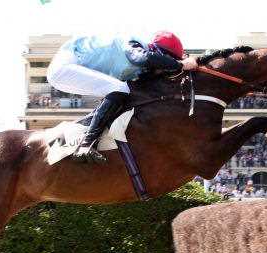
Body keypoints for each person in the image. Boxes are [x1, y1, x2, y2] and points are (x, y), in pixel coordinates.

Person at [47, 31, 198, 163]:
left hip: (72, 68)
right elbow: (142, 58)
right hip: (65, 65)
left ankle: (75, 137)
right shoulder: (134, 45)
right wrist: (180, 64)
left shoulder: (139, 67)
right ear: (155, 50)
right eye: (165, 61)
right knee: (119, 89)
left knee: (118, 94)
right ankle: (86, 145)